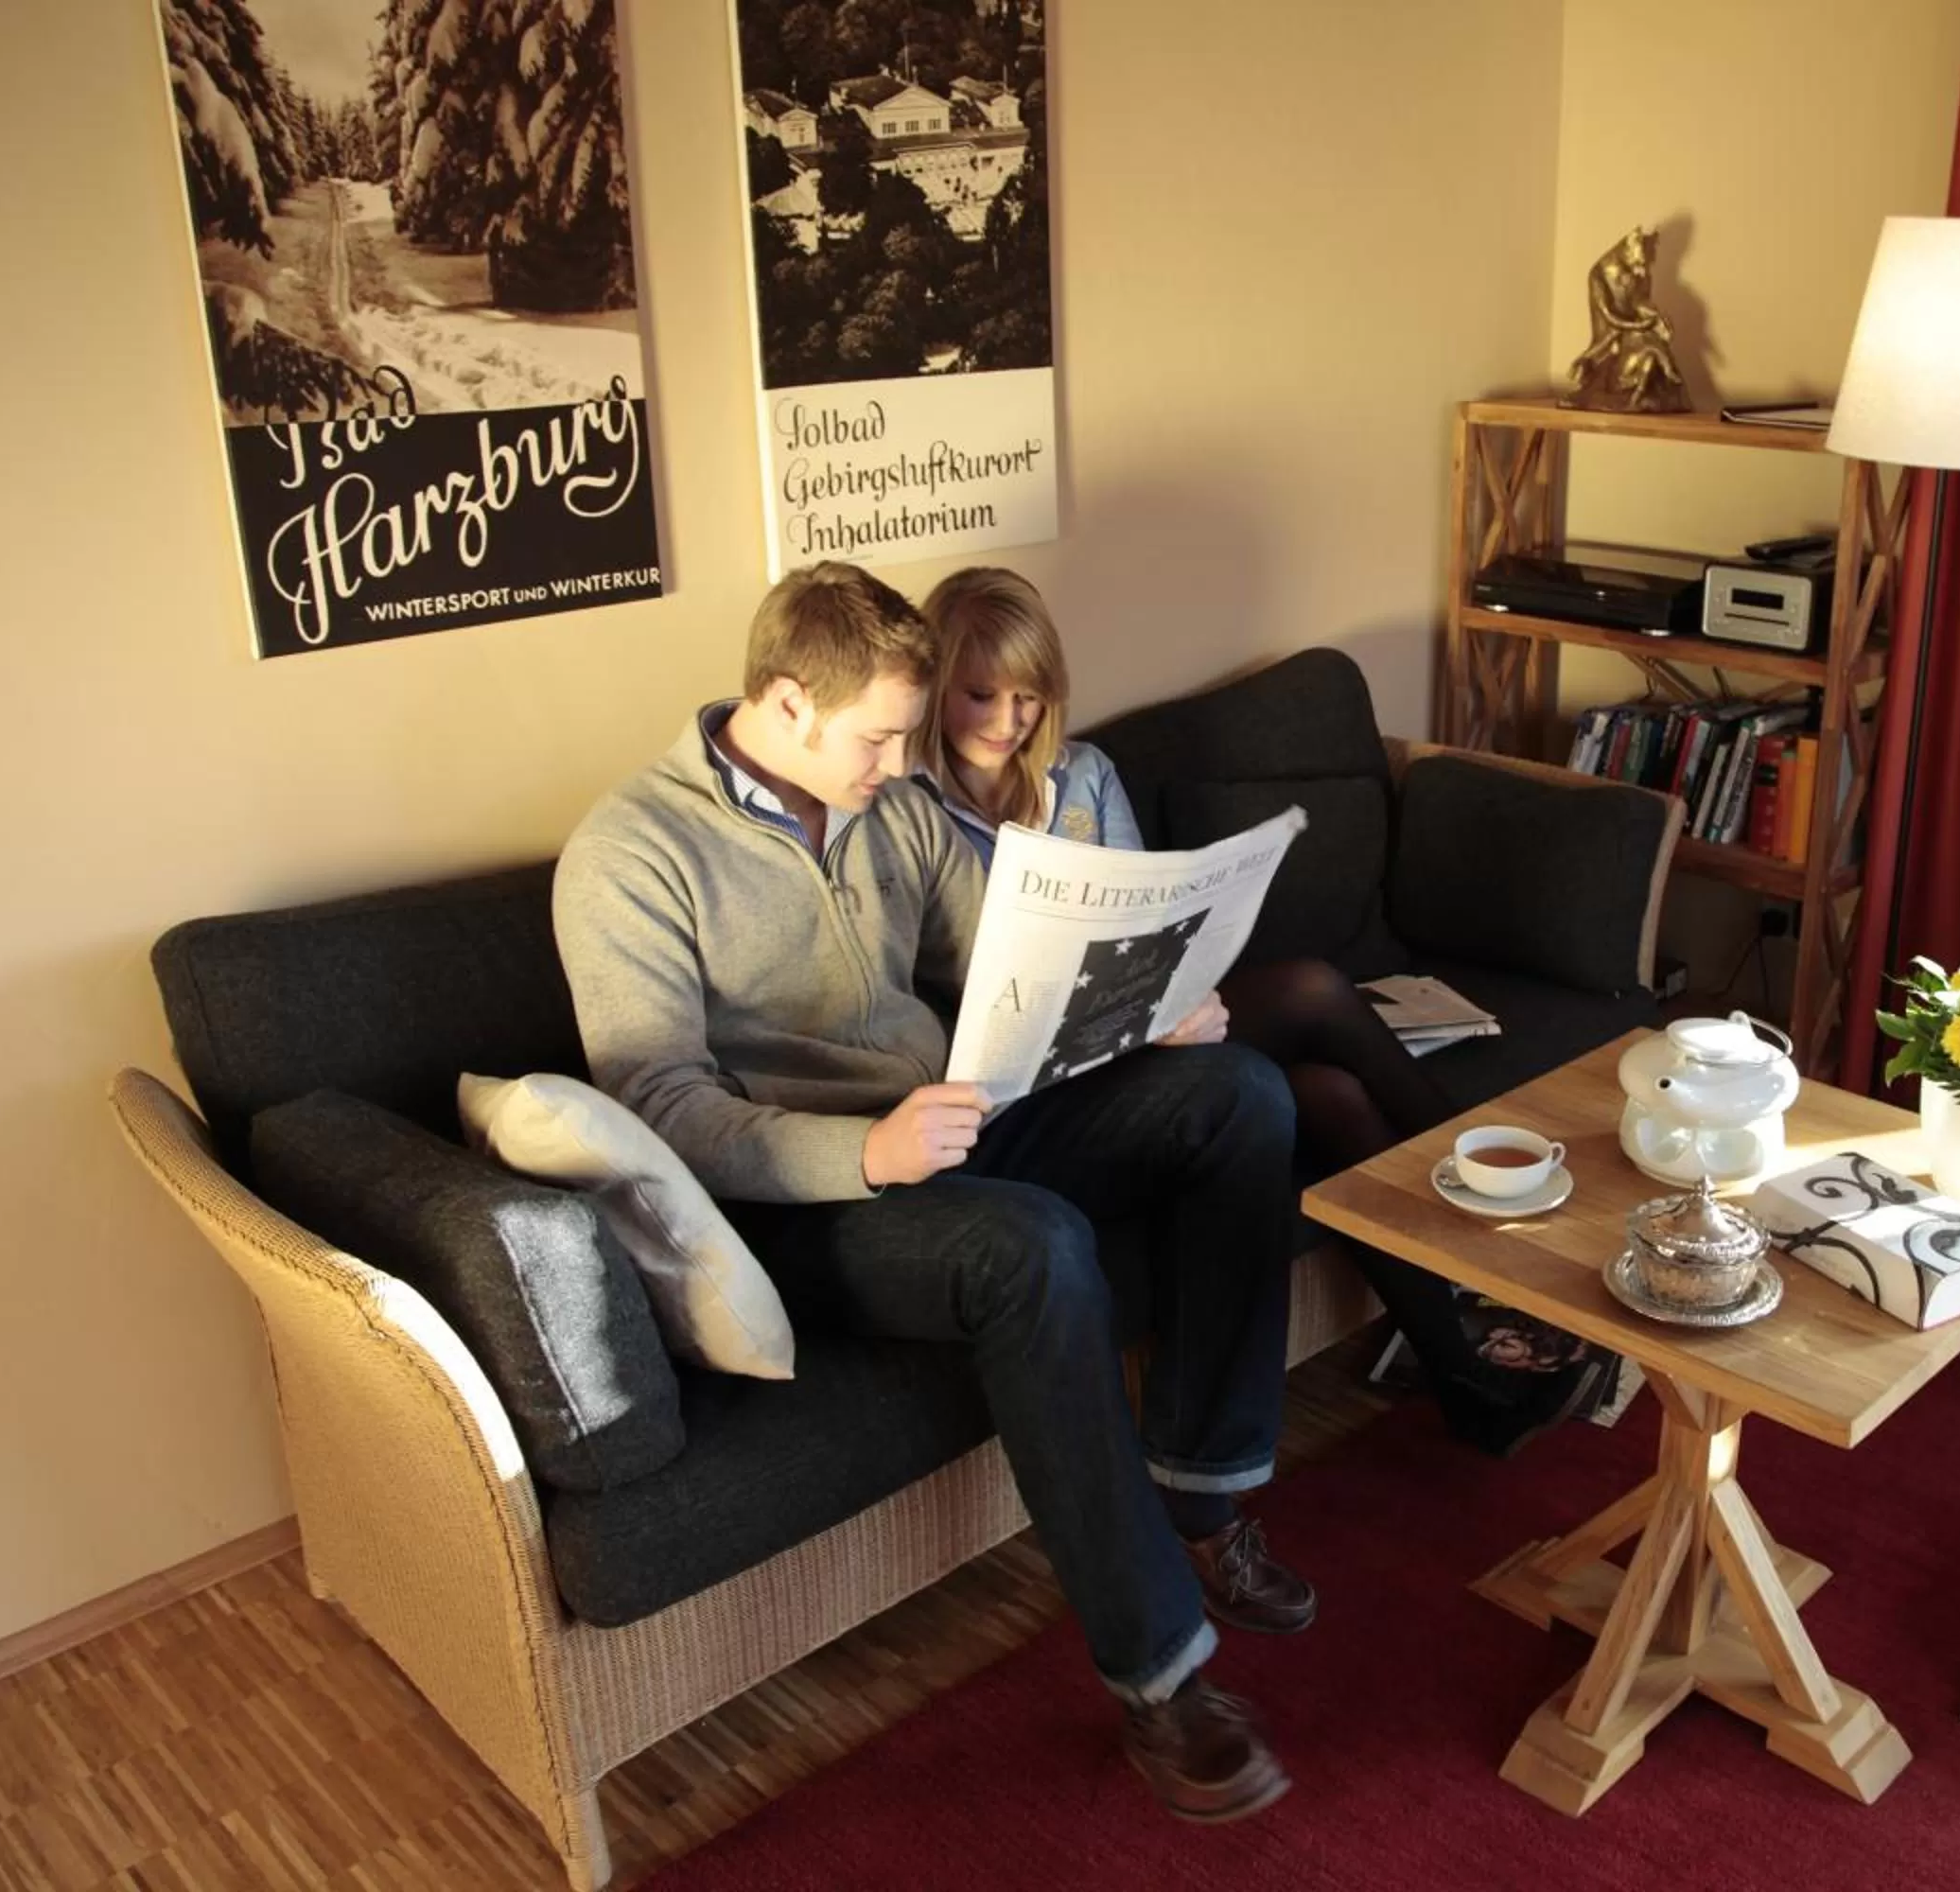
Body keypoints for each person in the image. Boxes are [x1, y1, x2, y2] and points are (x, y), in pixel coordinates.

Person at [553, 562, 1309, 1824]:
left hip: (945, 1126)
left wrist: (1147, 996)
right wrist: (863, 1155)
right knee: (1035, 1246)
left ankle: (1205, 1490)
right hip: (796, 1204)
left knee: (1238, 1097)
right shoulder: (631, 855)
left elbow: (1006, 949)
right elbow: (659, 1110)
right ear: (786, 702)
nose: (902, 762)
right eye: (879, 736)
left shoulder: (885, 808)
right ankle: (1163, 1678)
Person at [911, 565, 1617, 1455]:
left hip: (1135, 1034)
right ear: (937, 684)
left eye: (1029, 696)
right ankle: (1511, 1230)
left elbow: (1149, 921)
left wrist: (1177, 998)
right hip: (1037, 1086)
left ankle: (1460, 1369)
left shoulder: (1080, 774)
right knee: (1312, 994)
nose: (1009, 720)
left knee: (1329, 1089)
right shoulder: (906, 812)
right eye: (982, 695)